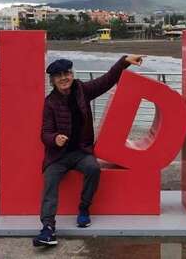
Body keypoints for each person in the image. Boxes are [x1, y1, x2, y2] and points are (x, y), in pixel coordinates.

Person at [33, 54, 145, 247]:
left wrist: (124, 61)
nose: (64, 78)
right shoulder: (50, 102)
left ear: (72, 74)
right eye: (58, 75)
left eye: (66, 73)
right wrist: (55, 139)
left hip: (81, 152)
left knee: (93, 169)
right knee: (50, 181)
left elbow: (108, 80)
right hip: (58, 156)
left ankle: (84, 209)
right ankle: (48, 228)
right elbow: (45, 133)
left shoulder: (82, 90)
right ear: (52, 80)